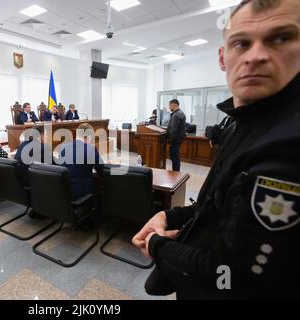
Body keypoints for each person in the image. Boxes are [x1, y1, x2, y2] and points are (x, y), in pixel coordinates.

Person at [132, 0, 300, 300]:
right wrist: (170, 218)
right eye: (241, 43)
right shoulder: (240, 123)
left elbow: (230, 277)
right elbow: (213, 204)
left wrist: (157, 244)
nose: (257, 55)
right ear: (223, 58)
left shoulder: (286, 148)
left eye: (281, 38)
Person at [57, 123, 104, 200]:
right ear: (89, 136)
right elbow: (101, 170)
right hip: (83, 195)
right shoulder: (90, 148)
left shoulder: (62, 147)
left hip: (64, 193)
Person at [166, 99, 186, 172]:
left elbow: (173, 130)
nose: (169, 107)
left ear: (174, 105)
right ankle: (176, 172)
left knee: (174, 158)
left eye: (169, 105)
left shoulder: (176, 115)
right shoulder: (181, 113)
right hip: (178, 139)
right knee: (176, 157)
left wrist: (170, 142)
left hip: (174, 140)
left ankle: (176, 173)